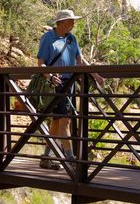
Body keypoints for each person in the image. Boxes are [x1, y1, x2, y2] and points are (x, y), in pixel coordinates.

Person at [36, 9, 104, 170]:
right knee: (64, 121)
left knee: (56, 122)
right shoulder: (48, 38)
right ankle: (71, 160)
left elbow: (80, 60)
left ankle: (46, 157)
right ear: (62, 22)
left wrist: (95, 75)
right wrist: (51, 77)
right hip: (55, 85)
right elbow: (41, 63)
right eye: (71, 21)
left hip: (69, 85)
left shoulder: (72, 39)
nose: (74, 24)